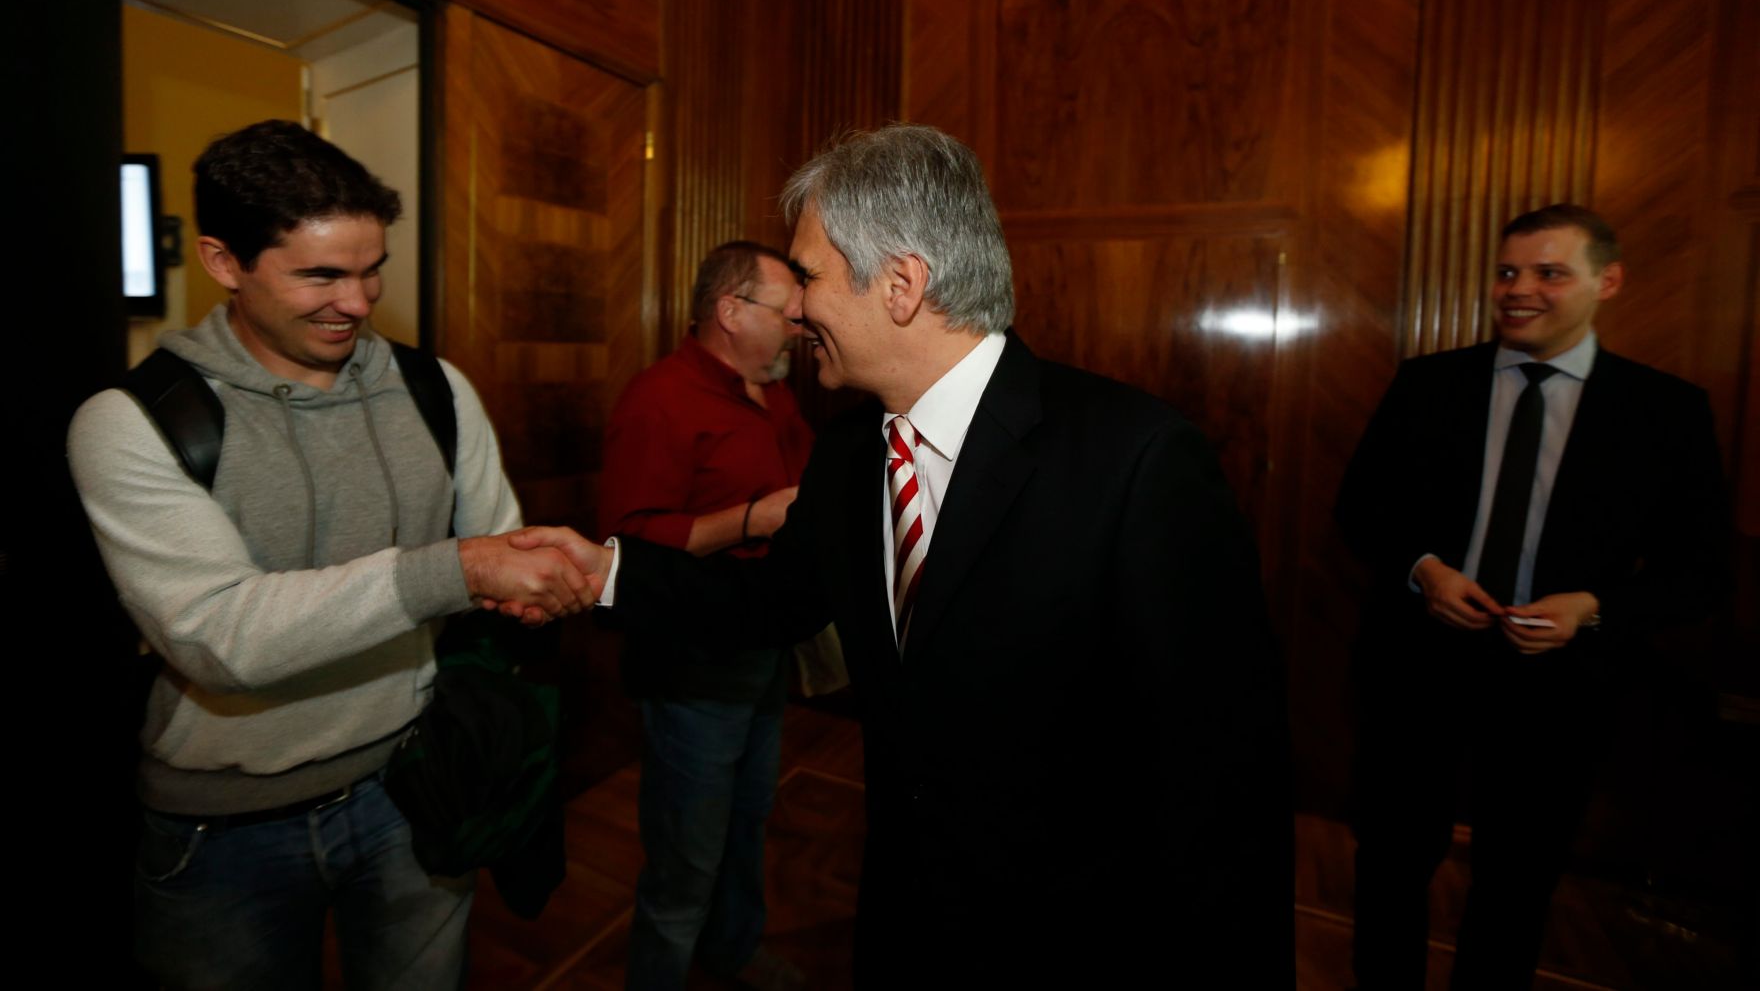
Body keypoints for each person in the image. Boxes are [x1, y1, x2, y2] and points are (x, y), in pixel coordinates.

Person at [512, 124, 1293, 987]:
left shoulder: (1136, 459)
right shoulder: (851, 455)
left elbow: (1222, 783)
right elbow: (769, 604)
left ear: (901, 284)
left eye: (807, 275)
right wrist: (604, 571)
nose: (798, 307)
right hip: (902, 923)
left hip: (1074, 942)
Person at [68, 120, 589, 990]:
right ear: (223, 261)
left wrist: (537, 583)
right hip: (223, 832)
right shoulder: (133, 422)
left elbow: (492, 542)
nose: (357, 301)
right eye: (320, 274)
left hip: (413, 787)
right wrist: (457, 570)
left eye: (370, 268)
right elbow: (219, 635)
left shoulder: (434, 387)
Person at [1336, 204, 1730, 990]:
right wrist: (1426, 569)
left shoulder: (1666, 410)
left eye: (1550, 272)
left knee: (1515, 886)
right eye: (1509, 271)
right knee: (1389, 869)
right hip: (1418, 669)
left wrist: (1592, 606)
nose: (1519, 289)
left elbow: (1703, 571)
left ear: (1606, 281)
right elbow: (1358, 510)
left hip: (1561, 687)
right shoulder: (1428, 384)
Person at [601, 241, 813, 991]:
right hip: (693, 659)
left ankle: (733, 949)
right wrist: (753, 518)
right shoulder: (658, 400)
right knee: (686, 849)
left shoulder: (776, 391)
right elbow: (627, 543)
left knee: (751, 814)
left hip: (761, 647)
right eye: (788, 315)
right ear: (731, 311)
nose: (799, 329)